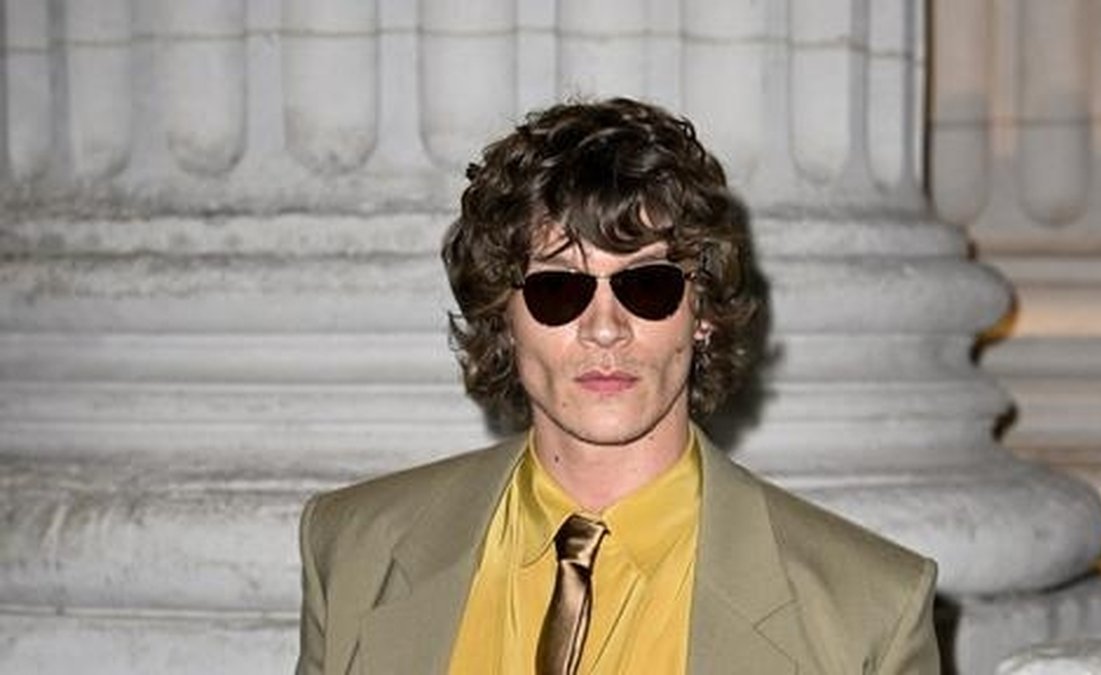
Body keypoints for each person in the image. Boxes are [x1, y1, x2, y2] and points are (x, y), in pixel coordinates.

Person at [295, 98, 939, 674]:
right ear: (502, 315)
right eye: (558, 288)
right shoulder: (354, 549)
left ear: (702, 313)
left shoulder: (867, 613)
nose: (606, 328)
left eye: (647, 284)